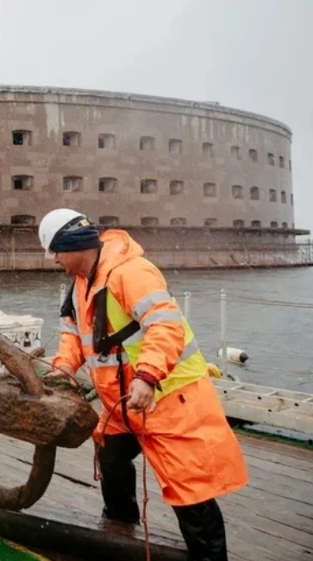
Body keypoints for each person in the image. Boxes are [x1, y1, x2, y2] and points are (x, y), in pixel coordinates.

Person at [38, 208, 247, 561]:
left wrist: (147, 376)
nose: (54, 260)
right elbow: (73, 333)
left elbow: (165, 325)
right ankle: (120, 526)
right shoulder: (80, 284)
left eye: (54, 252)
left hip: (167, 400)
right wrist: (63, 369)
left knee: (189, 491)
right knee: (111, 457)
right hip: (122, 403)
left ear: (70, 246)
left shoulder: (131, 273)